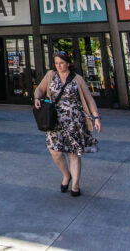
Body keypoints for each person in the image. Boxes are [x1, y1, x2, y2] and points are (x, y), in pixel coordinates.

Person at [33, 50, 101, 197]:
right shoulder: (50, 76)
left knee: (73, 154)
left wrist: (96, 117)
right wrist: (37, 98)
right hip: (55, 121)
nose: (59, 66)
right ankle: (66, 175)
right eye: (56, 63)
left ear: (68, 63)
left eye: (61, 63)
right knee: (55, 151)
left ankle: (75, 185)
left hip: (74, 121)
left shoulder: (77, 79)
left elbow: (89, 100)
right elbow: (39, 89)